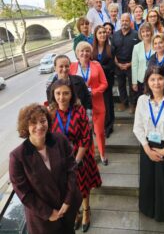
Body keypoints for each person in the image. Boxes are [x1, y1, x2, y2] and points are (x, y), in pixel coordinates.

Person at [9, 103, 82, 234]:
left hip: (68, 209)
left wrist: (68, 201)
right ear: (25, 126)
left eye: (43, 121)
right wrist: (48, 213)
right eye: (33, 123)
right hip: (43, 221)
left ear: (48, 121)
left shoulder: (60, 140)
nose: (39, 126)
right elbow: (24, 193)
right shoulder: (17, 157)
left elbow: (72, 170)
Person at [49, 79, 101, 233]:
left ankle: (86, 211)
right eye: (58, 93)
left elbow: (86, 138)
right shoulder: (50, 112)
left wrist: (76, 161)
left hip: (80, 157)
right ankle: (75, 213)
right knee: (66, 189)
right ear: (53, 94)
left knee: (83, 187)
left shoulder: (79, 111)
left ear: (72, 94)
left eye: (66, 93)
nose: (61, 97)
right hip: (59, 160)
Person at [133, 66, 164, 222]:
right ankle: (148, 209)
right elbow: (138, 127)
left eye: (160, 78)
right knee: (148, 180)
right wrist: (147, 149)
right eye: (152, 79)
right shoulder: (142, 100)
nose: (156, 83)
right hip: (147, 144)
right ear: (147, 81)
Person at [69, 41, 108, 165]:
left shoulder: (96, 65)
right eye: (82, 51)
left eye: (87, 51)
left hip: (97, 104)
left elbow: (104, 84)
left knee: (99, 132)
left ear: (90, 53)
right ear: (77, 53)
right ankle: (91, 155)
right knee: (85, 133)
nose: (84, 53)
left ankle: (102, 154)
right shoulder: (72, 67)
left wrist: (93, 91)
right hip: (80, 106)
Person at [111, 13, 139, 113]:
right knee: (121, 85)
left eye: (126, 20)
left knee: (133, 86)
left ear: (130, 22)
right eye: (122, 20)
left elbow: (138, 52)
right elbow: (112, 51)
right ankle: (124, 102)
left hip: (132, 65)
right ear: (120, 22)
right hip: (118, 65)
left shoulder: (136, 34)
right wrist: (118, 64)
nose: (124, 23)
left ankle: (133, 104)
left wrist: (130, 63)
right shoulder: (115, 35)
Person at [92, 25, 115, 137]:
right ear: (96, 35)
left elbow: (111, 66)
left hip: (107, 81)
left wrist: (98, 66)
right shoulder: (92, 49)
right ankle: (98, 127)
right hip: (95, 82)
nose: (102, 35)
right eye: (100, 33)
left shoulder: (111, 48)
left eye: (104, 32)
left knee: (108, 104)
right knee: (96, 105)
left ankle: (109, 126)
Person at [132, 22, 154, 96]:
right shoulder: (136, 47)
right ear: (140, 33)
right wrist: (134, 82)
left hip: (154, 78)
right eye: (143, 32)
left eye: (148, 31)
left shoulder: (156, 45)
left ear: (151, 32)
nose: (145, 33)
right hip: (141, 79)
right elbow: (134, 65)